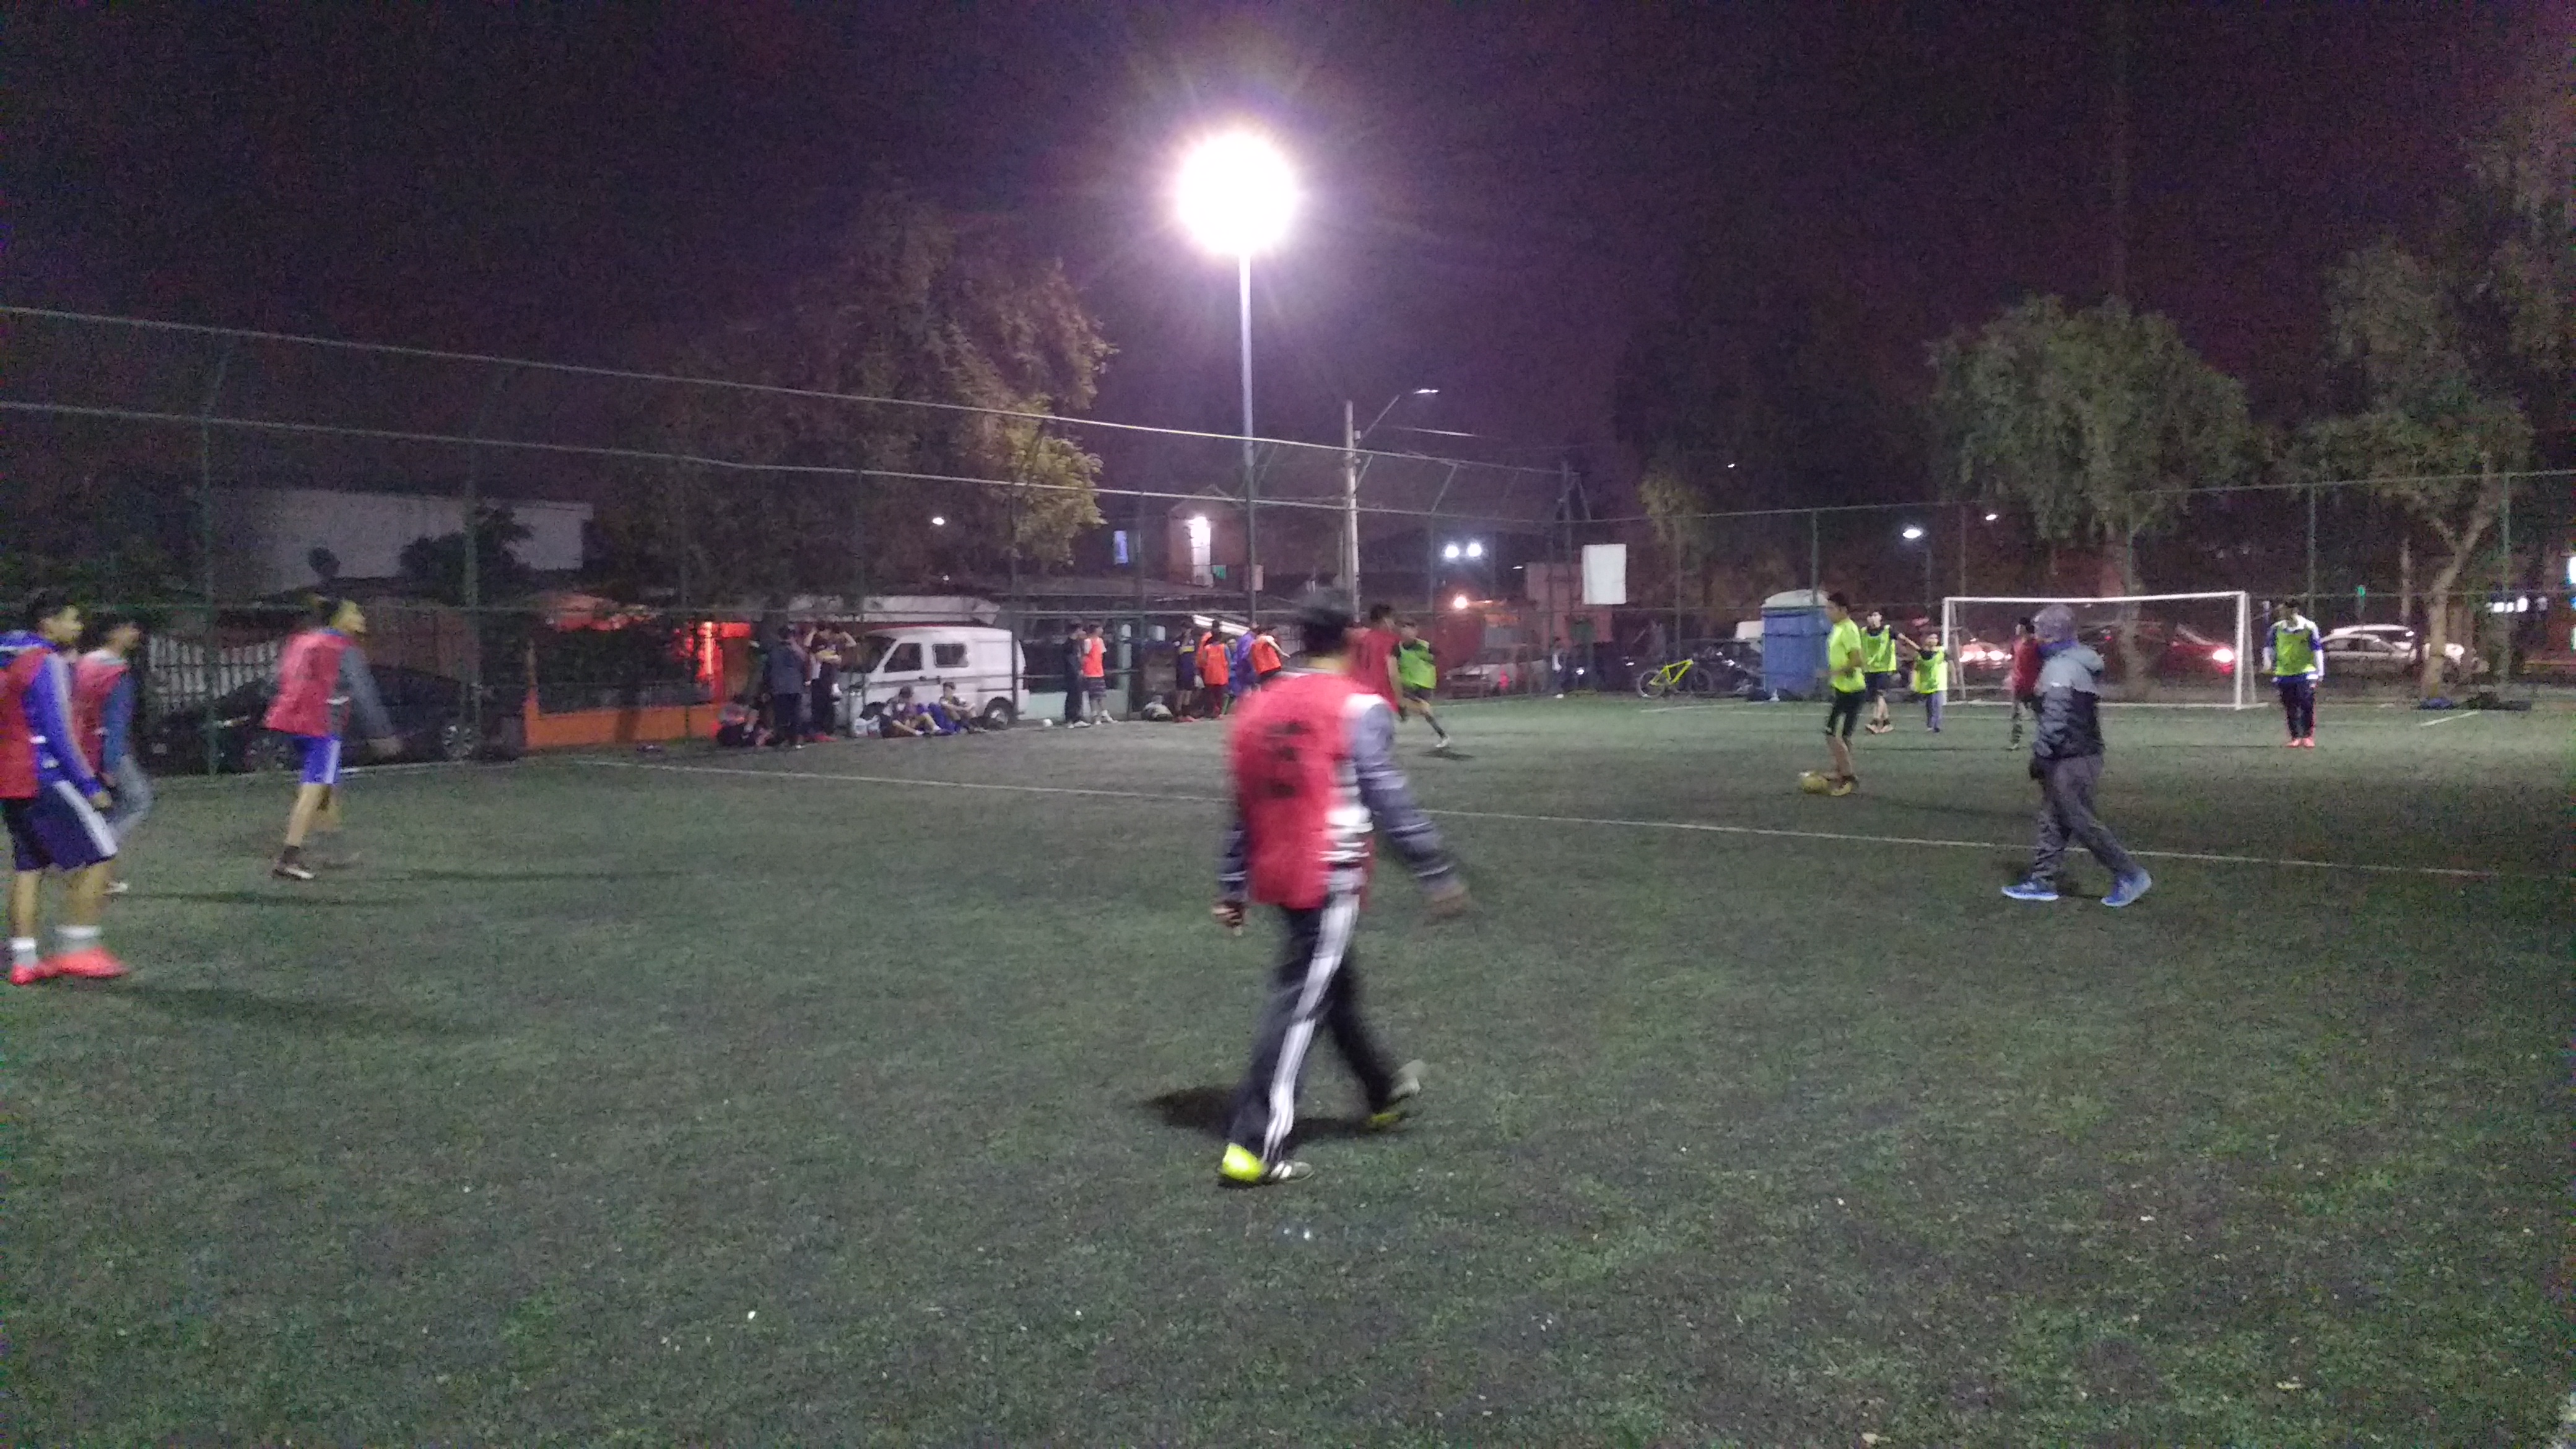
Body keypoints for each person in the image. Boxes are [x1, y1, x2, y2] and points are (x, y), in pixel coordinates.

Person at [1213, 591, 1467, 1187]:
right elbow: (1385, 794)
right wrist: (1434, 869)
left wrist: (1232, 883)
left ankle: (1380, 1089)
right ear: (1352, 641)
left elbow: (1242, 803)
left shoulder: (1259, 706)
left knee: (1333, 986)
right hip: (1327, 873)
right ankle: (1254, 1147)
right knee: (1300, 1003)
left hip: (1277, 868)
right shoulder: (1357, 706)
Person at [2, 593, 124, 983]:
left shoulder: (6, 653)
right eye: (72, 619)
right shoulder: (46, 660)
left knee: (29, 866)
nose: (79, 627)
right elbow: (59, 731)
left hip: (9, 777)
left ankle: (24, 961)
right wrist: (88, 784)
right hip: (43, 774)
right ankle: (79, 948)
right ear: (47, 623)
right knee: (103, 852)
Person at [2003, 604, 2151, 907]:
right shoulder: (2074, 662)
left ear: (2050, 635)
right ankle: (2042, 880)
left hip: (2072, 756)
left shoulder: (2060, 668)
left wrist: (2042, 754)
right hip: (2077, 752)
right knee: (2053, 819)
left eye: (2039, 633)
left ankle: (2130, 874)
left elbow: (2056, 719)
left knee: (2080, 820)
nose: (2035, 639)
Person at [264, 598, 398, 882]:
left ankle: (331, 850)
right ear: (339, 618)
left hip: (291, 722)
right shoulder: (343, 648)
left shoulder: (302, 641)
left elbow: (276, 680)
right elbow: (363, 693)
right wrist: (381, 734)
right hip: (322, 726)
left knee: (327, 787)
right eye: (355, 612)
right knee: (314, 788)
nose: (361, 617)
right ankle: (288, 858)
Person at [72, 614, 150, 893]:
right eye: (129, 628)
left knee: (104, 810)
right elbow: (116, 720)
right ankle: (96, 862)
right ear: (112, 634)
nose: (135, 633)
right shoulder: (117, 672)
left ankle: (99, 873)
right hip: (107, 748)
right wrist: (111, 761)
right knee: (139, 801)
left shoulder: (84, 664)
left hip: (81, 745)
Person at [1816, 593, 1867, 796]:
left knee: (1830, 733)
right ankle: (1841, 771)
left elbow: (1857, 660)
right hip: (1845, 689)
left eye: (1831, 608)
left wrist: (1832, 673)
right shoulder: (1838, 628)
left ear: (1843, 610)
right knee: (1844, 735)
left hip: (1851, 690)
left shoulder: (1849, 629)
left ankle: (1849, 777)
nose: (1827, 612)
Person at [2262, 600, 2324, 748]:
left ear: (2294, 610)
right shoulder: (2276, 628)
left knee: (2306, 703)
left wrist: (2320, 671)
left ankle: (2308, 736)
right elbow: (2269, 648)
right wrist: (2268, 664)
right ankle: (2296, 737)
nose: (2281, 612)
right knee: (2290, 705)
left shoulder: (2309, 627)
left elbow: (2317, 649)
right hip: (2284, 672)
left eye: (2284, 610)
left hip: (2306, 672)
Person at [1393, 620, 1453, 750]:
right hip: (1407, 683)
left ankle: (1443, 735)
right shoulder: (1397, 648)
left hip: (1424, 684)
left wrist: (1437, 667)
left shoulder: (1425, 646)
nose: (1406, 633)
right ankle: (1403, 713)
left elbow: (1442, 657)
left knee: (1425, 712)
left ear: (1416, 632)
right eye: (1404, 630)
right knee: (1397, 697)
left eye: (1409, 630)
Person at [1346, 604, 1403, 711]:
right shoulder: (1390, 640)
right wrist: (1400, 699)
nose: (1393, 624)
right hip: (1380, 694)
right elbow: (1392, 673)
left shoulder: (1359, 639)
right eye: (1392, 620)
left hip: (1356, 691)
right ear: (1385, 620)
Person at [1857, 609, 1900, 734]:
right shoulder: (1863, 632)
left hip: (1885, 668)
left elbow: (1902, 640)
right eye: (1870, 616)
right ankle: (1887, 723)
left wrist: (1918, 650)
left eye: (1875, 615)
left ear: (1881, 617)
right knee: (1877, 697)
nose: (1873, 618)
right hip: (1870, 668)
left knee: (1880, 694)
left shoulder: (1888, 630)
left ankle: (1875, 722)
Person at [2006, 616, 2042, 747]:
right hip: (2019, 685)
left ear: (2024, 628)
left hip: (2035, 685)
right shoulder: (2017, 644)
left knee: (2041, 715)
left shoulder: (2037, 644)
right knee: (2016, 714)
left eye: (2019, 626)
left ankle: (2045, 740)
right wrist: (2010, 676)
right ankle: (2015, 742)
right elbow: (2015, 662)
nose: (2016, 628)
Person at [807, 626, 844, 740]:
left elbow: (839, 659)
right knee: (818, 705)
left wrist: (831, 658)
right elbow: (820, 658)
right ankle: (817, 730)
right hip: (818, 679)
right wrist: (832, 658)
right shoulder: (817, 643)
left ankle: (826, 730)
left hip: (828, 679)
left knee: (828, 705)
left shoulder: (831, 645)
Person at [1912, 626, 1948, 732]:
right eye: (1931, 638)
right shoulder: (1920, 654)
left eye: (1935, 638)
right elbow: (1915, 669)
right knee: (1930, 705)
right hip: (1926, 683)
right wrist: (1913, 682)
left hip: (1939, 682)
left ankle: (1936, 725)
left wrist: (1954, 676)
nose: (1933, 640)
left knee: (1937, 704)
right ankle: (1930, 724)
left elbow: (1949, 662)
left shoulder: (1942, 651)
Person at [1195, 628, 1232, 720]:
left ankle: (1211, 712)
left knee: (1210, 695)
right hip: (1221, 676)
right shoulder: (1224, 647)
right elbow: (1229, 661)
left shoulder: (1207, 648)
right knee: (1220, 695)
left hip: (1210, 675)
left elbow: (1203, 661)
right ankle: (1219, 713)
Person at [1080, 622, 1111, 724]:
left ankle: (1105, 714)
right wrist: (1083, 669)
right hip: (1090, 672)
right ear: (1095, 630)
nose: (1102, 631)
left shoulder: (1100, 641)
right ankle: (1095, 716)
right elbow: (1085, 656)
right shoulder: (1088, 641)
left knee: (1101, 694)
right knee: (1093, 696)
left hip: (1099, 672)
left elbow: (1101, 655)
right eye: (1100, 628)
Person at [1060, 623, 1087, 728]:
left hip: (1077, 673)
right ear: (1077, 630)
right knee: (1072, 696)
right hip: (1072, 674)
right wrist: (1076, 671)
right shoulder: (1069, 645)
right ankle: (1070, 719)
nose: (1083, 633)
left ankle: (1077, 718)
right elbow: (1070, 660)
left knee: (1078, 696)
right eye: (1081, 630)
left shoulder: (1076, 643)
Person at [1247, 622, 1284, 686]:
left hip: (1261, 669)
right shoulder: (1266, 638)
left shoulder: (1253, 643)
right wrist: (1281, 652)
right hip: (1272, 666)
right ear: (1264, 632)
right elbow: (1271, 642)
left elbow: (1250, 657)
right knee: (1276, 685)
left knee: (1265, 686)